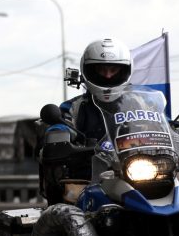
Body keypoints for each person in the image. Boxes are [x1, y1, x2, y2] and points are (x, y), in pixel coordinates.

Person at [40, 38, 133, 204]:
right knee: (66, 210)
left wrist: (178, 128)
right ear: (88, 70)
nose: (108, 75)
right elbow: (60, 122)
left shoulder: (138, 103)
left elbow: (161, 120)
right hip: (87, 181)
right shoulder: (74, 107)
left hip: (134, 174)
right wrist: (58, 132)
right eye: (101, 69)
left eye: (113, 69)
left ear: (124, 71)